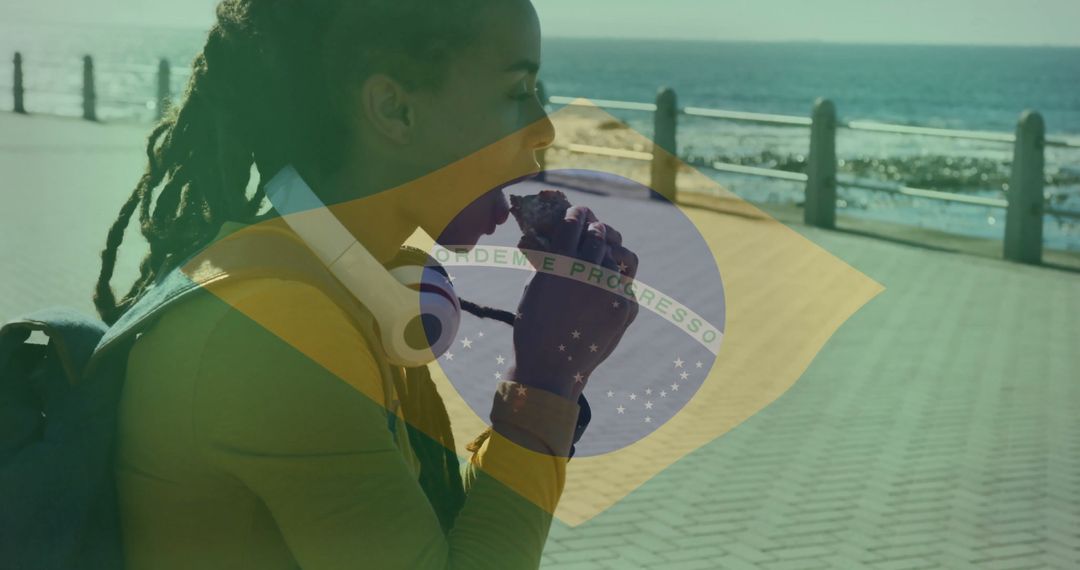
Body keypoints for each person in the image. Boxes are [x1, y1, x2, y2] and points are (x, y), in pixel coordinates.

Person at [92, 0, 639, 568]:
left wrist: (547, 389)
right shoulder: (273, 331)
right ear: (394, 109)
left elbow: (446, 538)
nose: (544, 128)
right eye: (516, 91)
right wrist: (547, 382)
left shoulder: (362, 283)